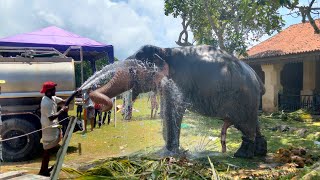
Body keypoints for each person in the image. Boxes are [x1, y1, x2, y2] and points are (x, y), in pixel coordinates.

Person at [38, 81, 68, 177]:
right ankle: (43, 170)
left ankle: (44, 169)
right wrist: (62, 110)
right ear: (49, 91)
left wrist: (74, 95)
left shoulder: (52, 98)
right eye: (53, 89)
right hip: (48, 127)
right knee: (47, 149)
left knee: (49, 149)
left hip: (53, 126)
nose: (55, 90)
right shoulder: (46, 102)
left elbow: (64, 101)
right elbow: (51, 117)